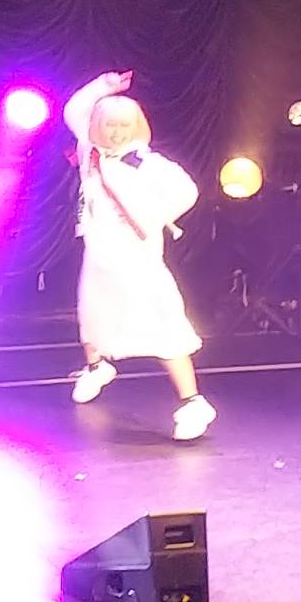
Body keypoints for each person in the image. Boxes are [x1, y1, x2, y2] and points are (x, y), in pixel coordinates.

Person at [63, 71, 214, 441]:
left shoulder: (147, 162)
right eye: (109, 125)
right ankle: (97, 367)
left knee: (163, 328)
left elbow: (188, 192)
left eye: (124, 125)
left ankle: (193, 402)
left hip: (137, 261)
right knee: (92, 316)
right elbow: (74, 110)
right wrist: (104, 86)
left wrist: (153, 218)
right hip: (99, 257)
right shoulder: (89, 152)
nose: (116, 133)